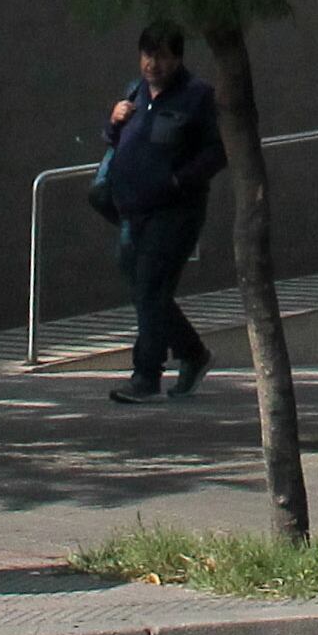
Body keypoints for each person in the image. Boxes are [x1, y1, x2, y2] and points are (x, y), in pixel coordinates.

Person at [101, 21, 224, 400]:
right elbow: (117, 143)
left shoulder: (196, 95)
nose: (153, 64)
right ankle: (192, 352)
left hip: (174, 211)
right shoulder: (135, 93)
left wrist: (178, 181)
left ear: (178, 58)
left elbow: (215, 153)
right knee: (145, 289)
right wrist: (113, 123)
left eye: (162, 56)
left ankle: (146, 375)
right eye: (147, 55)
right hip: (132, 209)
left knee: (151, 286)